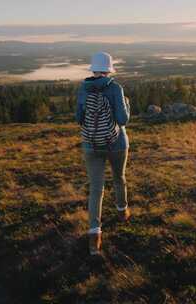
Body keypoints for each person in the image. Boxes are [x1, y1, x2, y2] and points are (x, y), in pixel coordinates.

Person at [76, 52, 131, 255]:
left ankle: (94, 236)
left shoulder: (83, 88)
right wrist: (127, 105)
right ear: (109, 69)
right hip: (116, 143)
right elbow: (123, 120)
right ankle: (122, 211)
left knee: (96, 189)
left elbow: (79, 118)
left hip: (91, 144)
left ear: (93, 69)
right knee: (119, 177)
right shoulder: (115, 88)